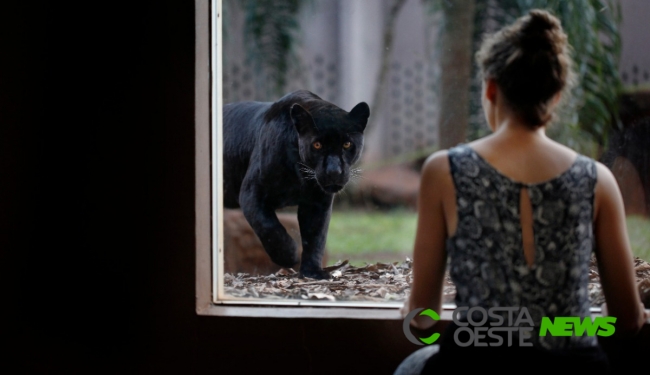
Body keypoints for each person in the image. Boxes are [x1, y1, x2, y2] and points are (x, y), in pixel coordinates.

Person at [395, 9, 648, 374]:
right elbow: (627, 321)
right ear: (556, 96)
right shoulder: (597, 179)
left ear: (491, 88)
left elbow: (422, 318)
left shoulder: (444, 171)